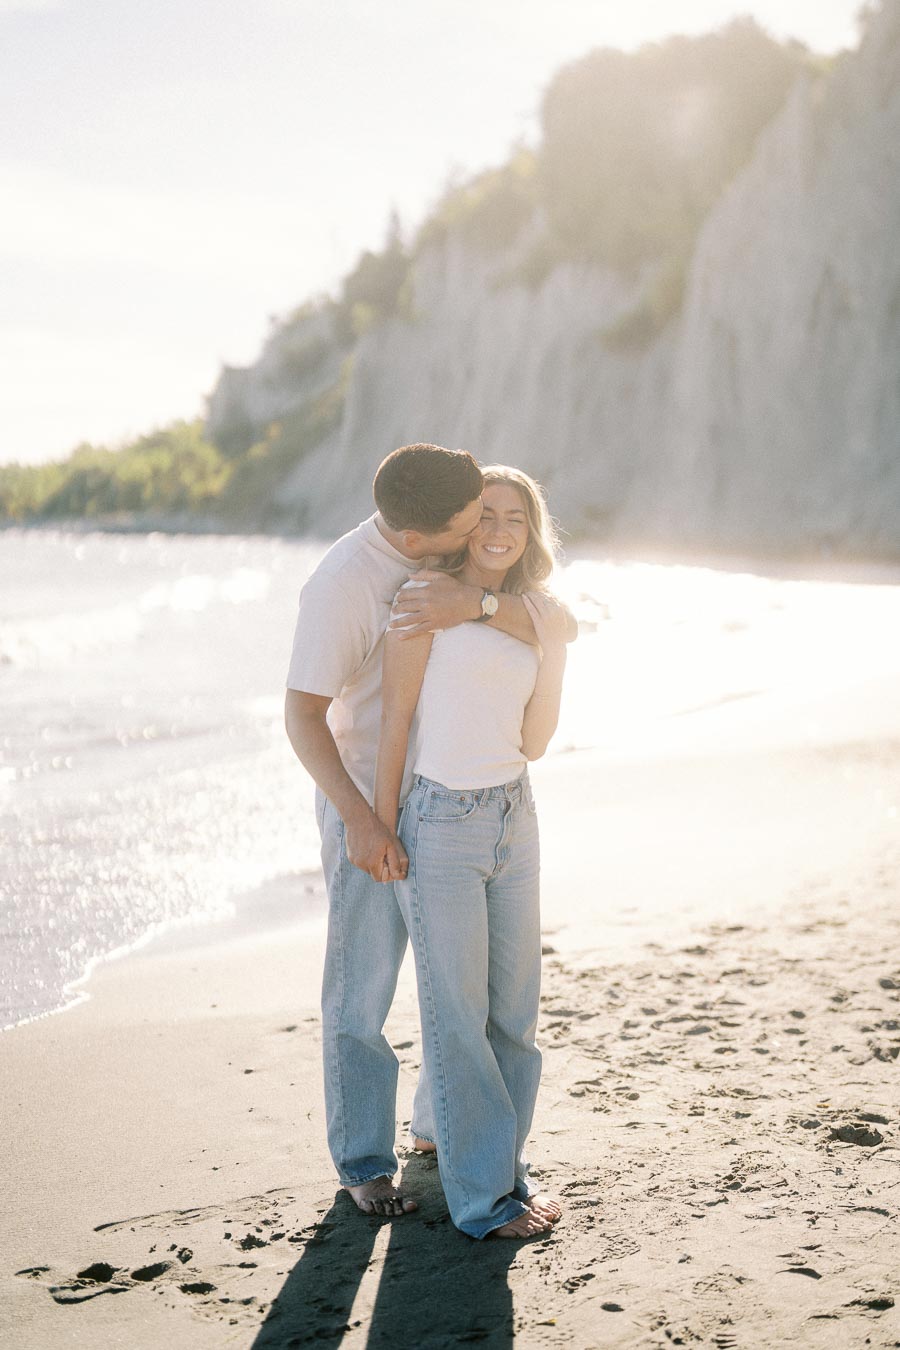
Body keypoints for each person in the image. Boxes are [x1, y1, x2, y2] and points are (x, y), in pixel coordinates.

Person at [284, 444, 574, 1219]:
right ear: (423, 538)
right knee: (364, 988)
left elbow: (545, 619)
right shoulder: (345, 587)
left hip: (469, 795)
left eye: (495, 512)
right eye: (472, 519)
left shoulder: (449, 557)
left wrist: (482, 607)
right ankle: (363, 1161)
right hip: (369, 796)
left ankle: (440, 1132)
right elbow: (302, 715)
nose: (485, 525)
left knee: (469, 991)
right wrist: (364, 820)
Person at [374, 466, 570, 1239]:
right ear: (464, 523)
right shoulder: (424, 597)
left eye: (515, 517)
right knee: (458, 1018)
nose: (498, 528)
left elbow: (536, 740)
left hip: (514, 816)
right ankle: (485, 1200)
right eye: (486, 513)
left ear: (531, 530)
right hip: (441, 822)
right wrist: (381, 825)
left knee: (514, 1017)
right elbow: (395, 720)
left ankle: (501, 1167)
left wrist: (541, 641)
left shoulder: (540, 614)